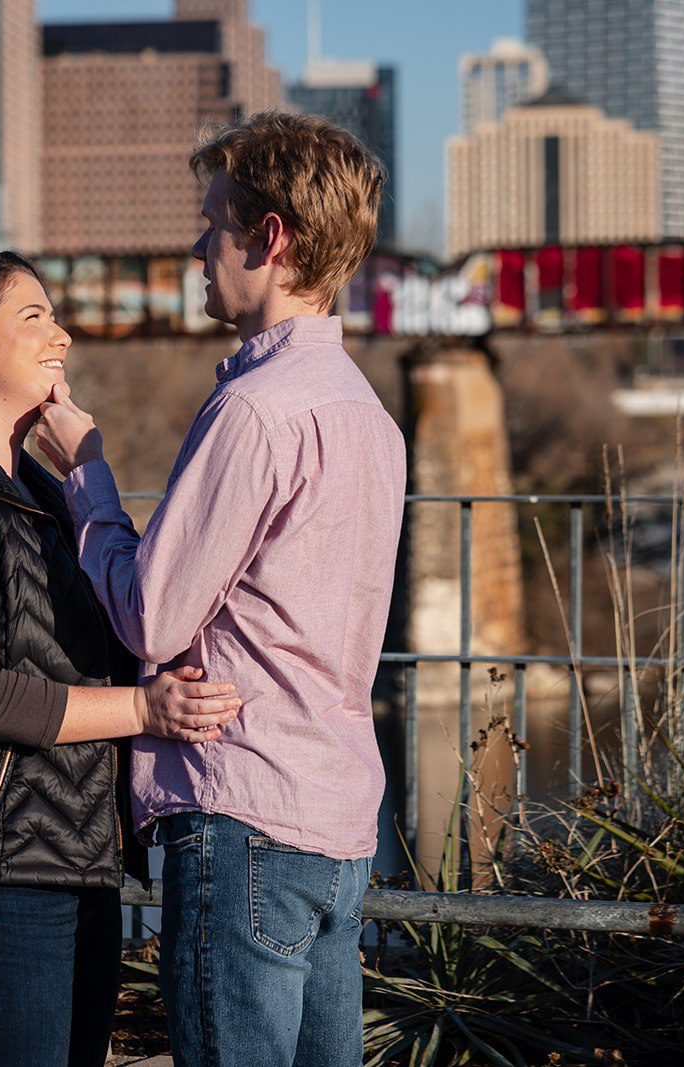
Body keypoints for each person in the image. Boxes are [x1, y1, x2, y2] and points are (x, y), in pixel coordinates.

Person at [34, 111, 407, 1066]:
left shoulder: (253, 410)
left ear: (270, 238)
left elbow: (153, 615)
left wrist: (87, 474)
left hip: (242, 817)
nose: (199, 247)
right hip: (340, 827)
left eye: (213, 223)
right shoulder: (369, 417)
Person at [0, 252, 244, 1067]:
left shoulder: (45, 496)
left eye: (55, 314)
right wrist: (145, 710)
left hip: (73, 860)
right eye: (33, 317)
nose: (61, 333)